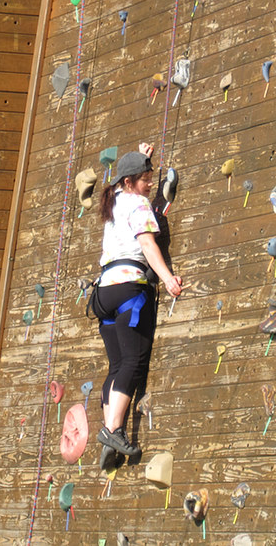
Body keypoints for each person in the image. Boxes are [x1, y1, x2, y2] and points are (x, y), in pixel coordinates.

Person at [91, 143, 183, 459]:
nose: (150, 185)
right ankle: (112, 430)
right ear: (131, 182)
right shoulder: (138, 205)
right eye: (146, 178)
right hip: (129, 287)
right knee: (133, 360)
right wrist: (168, 277)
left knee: (116, 364)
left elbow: (128, 172)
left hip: (103, 293)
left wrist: (143, 153)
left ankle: (110, 432)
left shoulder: (114, 201)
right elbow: (146, 243)